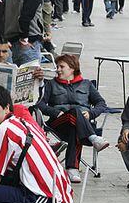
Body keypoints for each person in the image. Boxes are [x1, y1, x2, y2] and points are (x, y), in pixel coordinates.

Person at [37, 54, 109, 183]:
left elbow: (101, 103)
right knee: (75, 112)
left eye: (61, 67)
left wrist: (91, 113)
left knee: (74, 128)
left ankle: (72, 169)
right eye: (57, 66)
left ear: (72, 68)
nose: (58, 69)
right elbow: (40, 104)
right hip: (59, 123)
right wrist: (55, 112)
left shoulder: (86, 84)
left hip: (80, 126)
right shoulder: (51, 84)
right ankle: (93, 138)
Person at [5, 0, 44, 67]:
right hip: (28, 41)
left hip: (11, 41)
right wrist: (24, 40)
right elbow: (24, 18)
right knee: (30, 80)